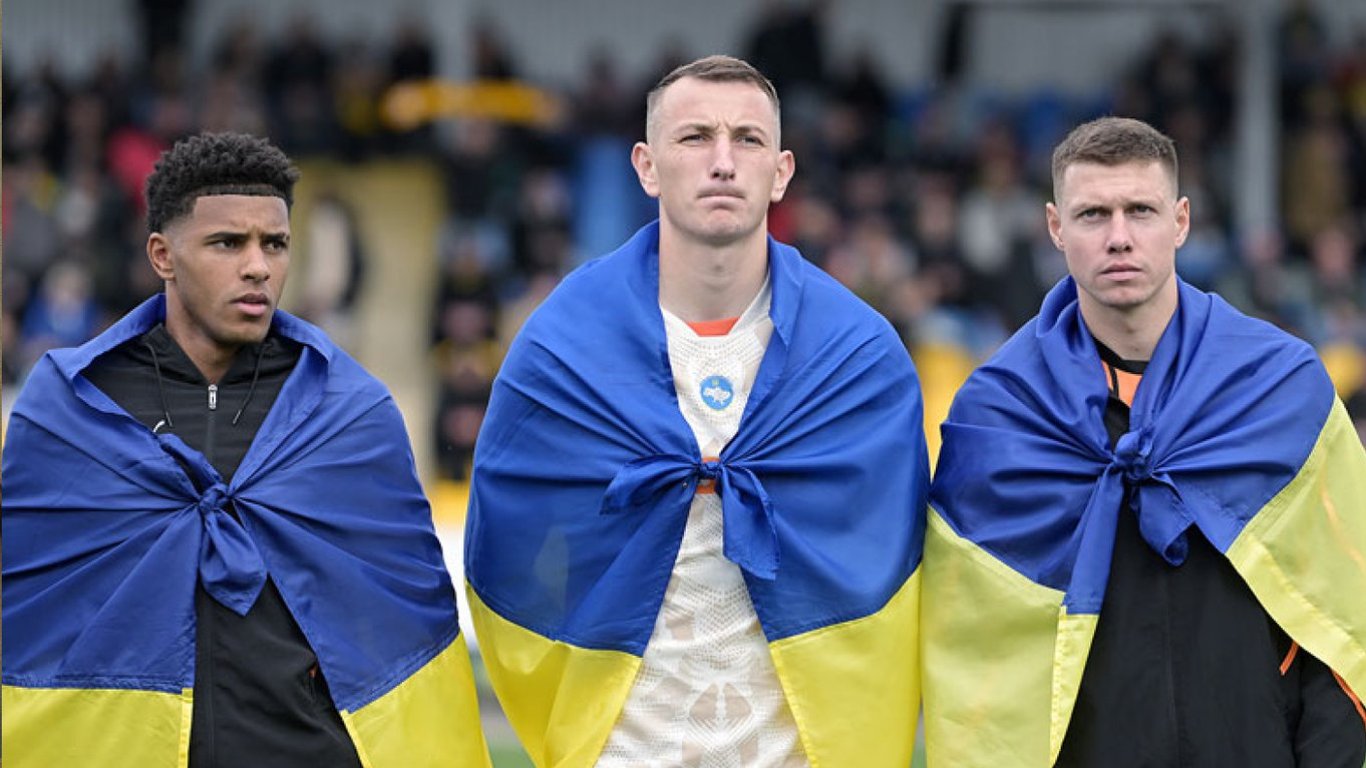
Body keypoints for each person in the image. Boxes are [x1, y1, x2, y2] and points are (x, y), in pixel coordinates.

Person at [464, 55, 928, 767]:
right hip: (622, 752)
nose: (723, 161)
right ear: (646, 167)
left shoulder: (858, 354)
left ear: (782, 172)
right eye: (695, 137)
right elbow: (506, 548)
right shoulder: (561, 347)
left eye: (748, 139)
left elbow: (904, 559)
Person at [1, 132, 490, 767]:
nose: (258, 266)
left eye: (275, 244)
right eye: (228, 243)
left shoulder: (348, 411)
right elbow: (28, 604)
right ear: (163, 255)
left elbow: (405, 614)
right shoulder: (71, 407)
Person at [922, 116, 1366, 767]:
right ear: (1055, 228)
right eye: (1093, 214)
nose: (1119, 237)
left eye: (1141, 210)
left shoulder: (1280, 387)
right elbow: (970, 648)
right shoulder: (998, 416)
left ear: (1180, 221)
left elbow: (1344, 606)